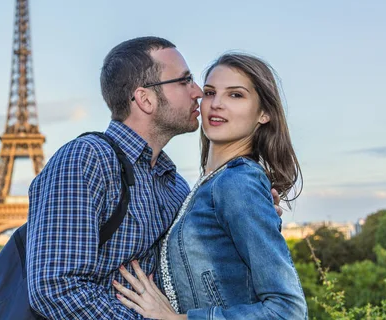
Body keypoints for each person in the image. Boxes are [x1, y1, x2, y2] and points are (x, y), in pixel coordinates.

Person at [27, 38, 282, 319]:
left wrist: (247, 215)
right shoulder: (88, 159)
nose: (198, 92)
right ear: (145, 99)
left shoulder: (174, 185)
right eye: (184, 81)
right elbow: (55, 287)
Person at [112, 53, 308, 319]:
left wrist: (178, 319)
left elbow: (288, 311)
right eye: (210, 92)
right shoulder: (206, 185)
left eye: (235, 95)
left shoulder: (238, 182)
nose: (217, 104)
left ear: (264, 113)